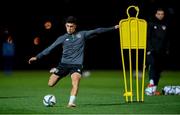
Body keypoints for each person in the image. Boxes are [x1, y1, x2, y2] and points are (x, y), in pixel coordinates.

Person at [28, 16, 119, 107]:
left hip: (76, 65)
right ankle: (56, 70)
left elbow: (97, 31)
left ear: (75, 26)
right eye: (68, 26)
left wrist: (114, 27)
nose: (69, 28)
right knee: (50, 84)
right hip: (63, 65)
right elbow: (50, 48)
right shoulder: (62, 38)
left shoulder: (82, 34)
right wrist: (37, 57)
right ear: (65, 26)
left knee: (75, 83)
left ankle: (71, 102)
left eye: (71, 26)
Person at [145, 8, 170, 95]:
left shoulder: (165, 25)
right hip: (152, 50)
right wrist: (149, 49)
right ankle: (151, 84)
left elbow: (167, 39)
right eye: (158, 14)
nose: (160, 15)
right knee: (152, 65)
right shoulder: (151, 24)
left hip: (161, 51)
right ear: (156, 14)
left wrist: (167, 49)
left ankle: (154, 89)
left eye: (162, 14)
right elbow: (147, 38)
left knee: (159, 69)